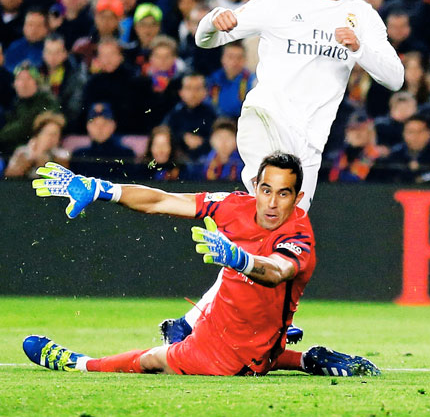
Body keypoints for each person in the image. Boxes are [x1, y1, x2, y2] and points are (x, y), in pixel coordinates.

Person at [172, 0, 403, 344]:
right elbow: (205, 39)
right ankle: (232, 320)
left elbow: (396, 78)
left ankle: (201, 322)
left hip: (309, 146)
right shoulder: (280, 4)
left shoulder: (363, 17)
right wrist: (212, 19)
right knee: (270, 221)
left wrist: (360, 49)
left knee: (283, 234)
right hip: (266, 119)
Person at [24, 152, 380, 378]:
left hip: (228, 358)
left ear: (298, 198)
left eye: (284, 193)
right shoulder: (234, 205)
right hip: (245, 333)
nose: (272, 203)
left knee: (152, 359)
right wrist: (104, 189)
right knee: (235, 327)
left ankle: (81, 363)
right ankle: (302, 359)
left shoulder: (300, 234)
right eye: (266, 190)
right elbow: (165, 200)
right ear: (255, 186)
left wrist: (238, 260)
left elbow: (276, 271)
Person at [4, 111, 69, 178]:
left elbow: (61, 177)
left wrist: (40, 157)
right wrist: (32, 158)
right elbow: (10, 175)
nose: (51, 139)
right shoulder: (22, 151)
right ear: (38, 135)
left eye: (55, 134)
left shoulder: (62, 154)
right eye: (48, 134)